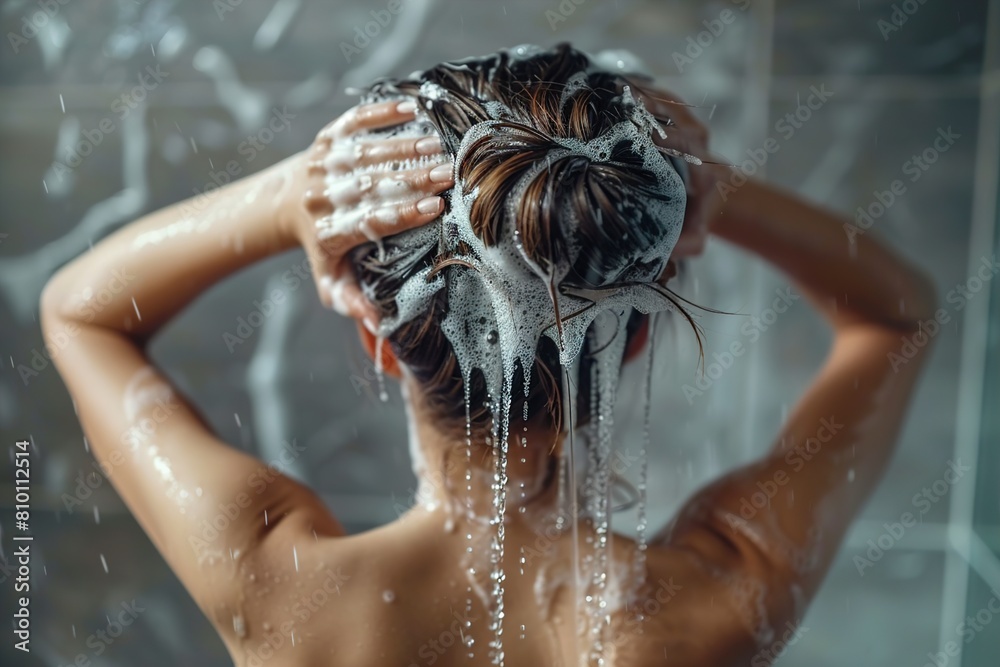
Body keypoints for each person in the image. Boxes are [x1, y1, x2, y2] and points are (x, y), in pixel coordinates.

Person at [42, 44, 937, 666]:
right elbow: (896, 316)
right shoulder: (728, 594)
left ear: (378, 342)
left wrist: (287, 198)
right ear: (634, 335)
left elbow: (79, 312)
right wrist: (703, 184)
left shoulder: (279, 590)